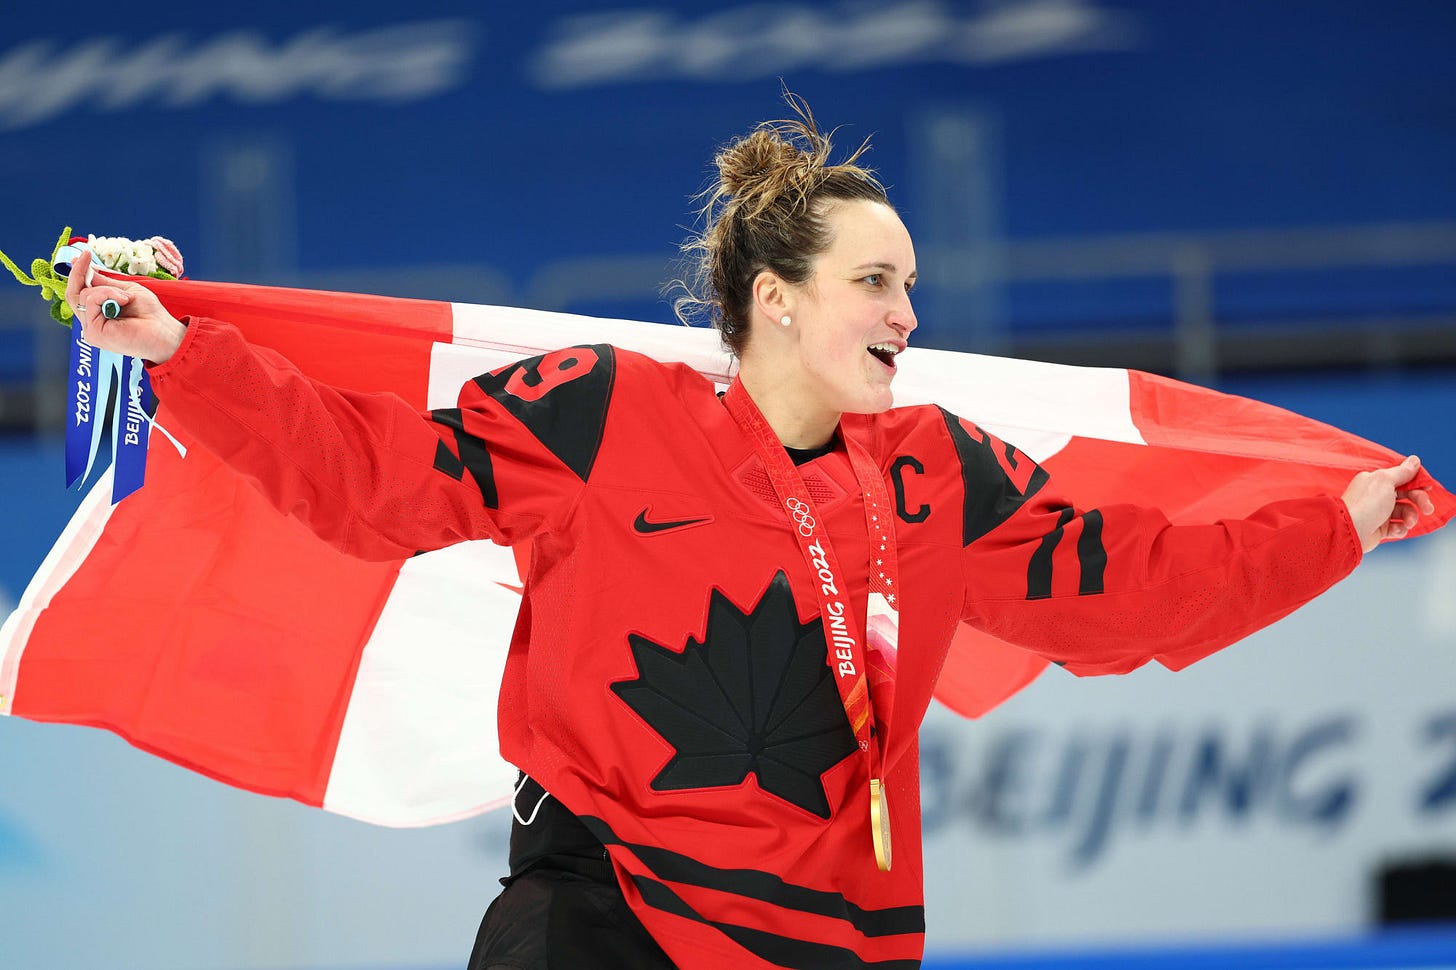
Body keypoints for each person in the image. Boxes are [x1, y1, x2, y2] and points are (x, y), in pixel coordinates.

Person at [65, 98, 1433, 969]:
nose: (907, 311)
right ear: (776, 299)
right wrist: (190, 348)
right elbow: (368, 479)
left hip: (827, 937)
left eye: (911, 282)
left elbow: (1126, 592)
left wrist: (1329, 525)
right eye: (876, 281)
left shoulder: (940, 470)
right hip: (597, 916)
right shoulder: (600, 414)